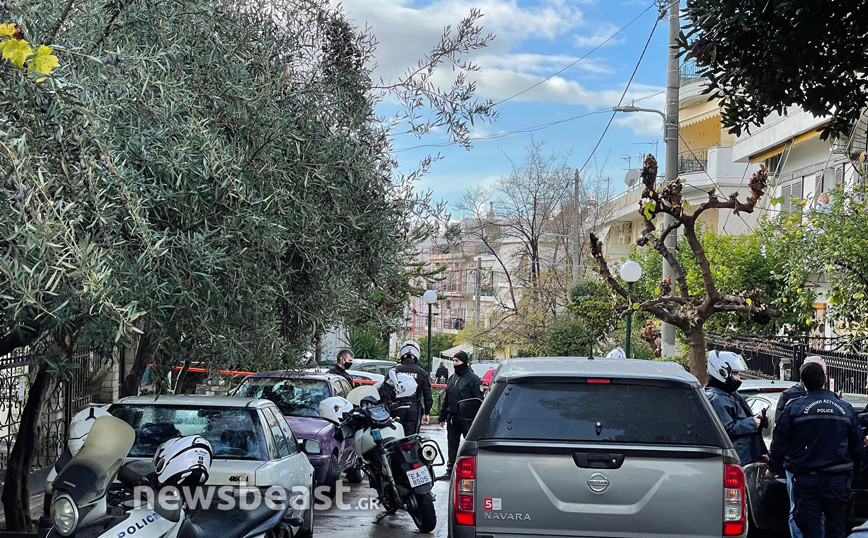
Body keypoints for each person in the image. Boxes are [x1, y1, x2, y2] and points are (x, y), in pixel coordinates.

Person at [766, 361, 863, 538]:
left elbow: (780, 442)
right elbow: (857, 444)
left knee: (809, 528)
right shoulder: (844, 408)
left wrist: (773, 468)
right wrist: (857, 470)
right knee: (836, 527)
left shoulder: (794, 408)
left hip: (806, 479)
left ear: (802, 382)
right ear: (825, 379)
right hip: (837, 479)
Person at [774, 356, 829, 538]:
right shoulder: (789, 397)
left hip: (823, 463)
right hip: (799, 465)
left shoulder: (832, 399)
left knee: (820, 512)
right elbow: (781, 433)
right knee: (797, 509)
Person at [704, 350, 768, 466]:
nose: (738, 378)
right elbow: (725, 429)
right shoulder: (717, 398)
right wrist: (752, 423)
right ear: (722, 372)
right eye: (735, 373)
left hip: (744, 456)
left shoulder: (730, 394)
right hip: (737, 458)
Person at [438, 351, 483, 480]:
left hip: (467, 419)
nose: (454, 363)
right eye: (453, 360)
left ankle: (473, 471)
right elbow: (447, 398)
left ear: (464, 362)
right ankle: (450, 471)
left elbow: (479, 400)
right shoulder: (452, 378)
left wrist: (476, 419)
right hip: (453, 418)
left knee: (470, 446)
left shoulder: (473, 379)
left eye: (457, 361)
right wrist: (442, 416)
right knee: (452, 444)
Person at [383, 340, 432, 435]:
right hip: (414, 409)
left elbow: (384, 393)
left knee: (395, 436)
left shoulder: (394, 371)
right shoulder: (421, 373)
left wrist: (385, 411)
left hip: (396, 408)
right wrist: (427, 412)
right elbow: (428, 395)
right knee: (411, 437)